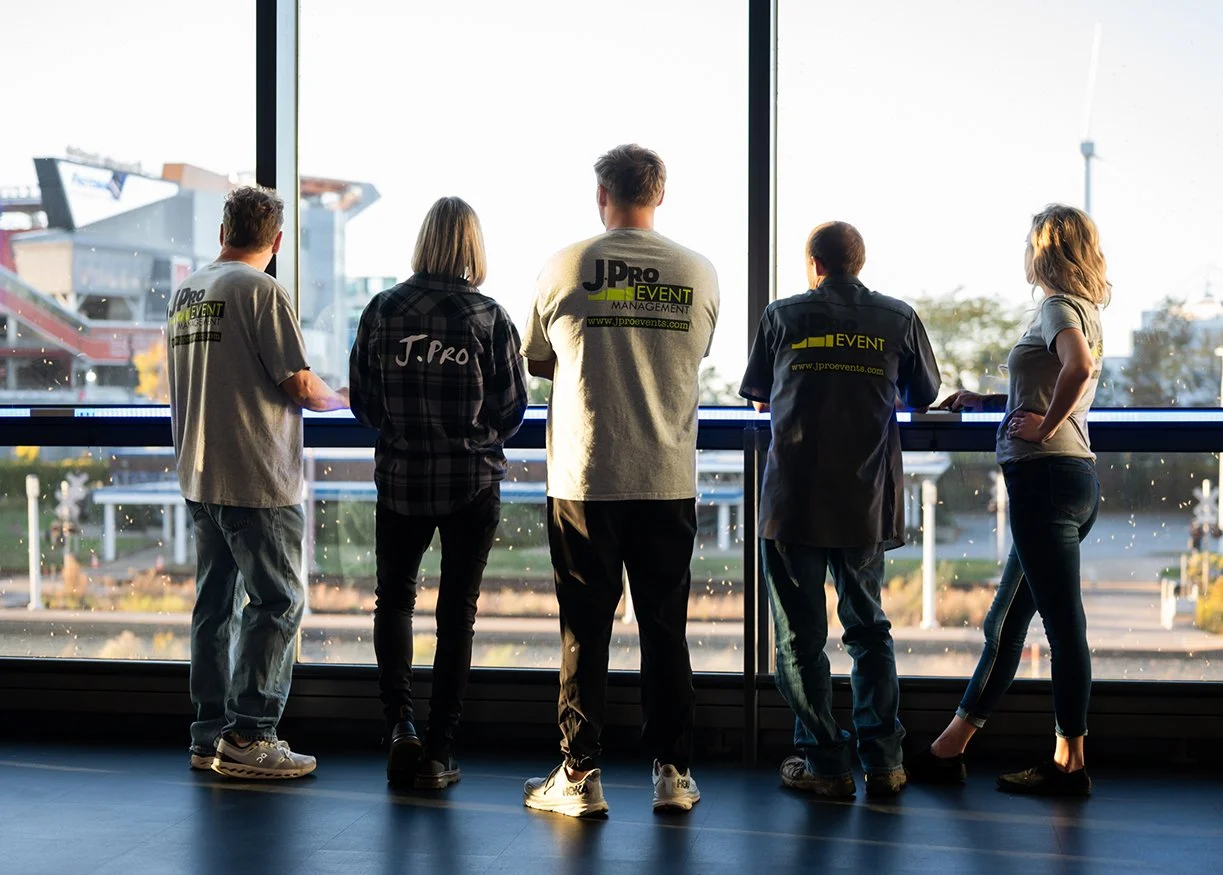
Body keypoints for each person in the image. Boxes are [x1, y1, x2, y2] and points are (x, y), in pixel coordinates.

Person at [521, 144, 720, 817]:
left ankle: (579, 775)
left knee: (584, 629)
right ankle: (673, 772)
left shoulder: (564, 265)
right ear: (659, 194)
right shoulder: (699, 271)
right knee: (664, 628)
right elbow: (691, 355)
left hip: (585, 475)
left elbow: (540, 360)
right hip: (667, 475)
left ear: (600, 195)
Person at [908, 204, 1108, 796]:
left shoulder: (1054, 306)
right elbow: (1049, 382)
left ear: (1042, 250)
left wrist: (1042, 429)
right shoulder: (1086, 309)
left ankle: (1070, 764)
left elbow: (1078, 368)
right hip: (1069, 480)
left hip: (1045, 479)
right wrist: (986, 398)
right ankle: (950, 748)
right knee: (1006, 621)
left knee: (1062, 626)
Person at [739, 221, 941, 799]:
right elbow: (922, 393)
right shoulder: (897, 318)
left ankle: (825, 762)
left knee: (799, 641)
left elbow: (757, 392)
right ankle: (884, 761)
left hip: (792, 501)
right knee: (869, 629)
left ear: (813, 264)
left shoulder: (781, 317)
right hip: (863, 500)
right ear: (860, 262)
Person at [168, 184, 349, 779]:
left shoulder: (187, 292)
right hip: (255, 475)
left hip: (200, 474)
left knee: (214, 607)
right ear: (274, 241)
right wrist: (343, 400)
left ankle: (208, 734)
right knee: (278, 602)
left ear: (223, 233)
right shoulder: (260, 290)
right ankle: (251, 737)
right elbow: (296, 380)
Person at [349, 196, 528, 789]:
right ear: (473, 246)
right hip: (470, 483)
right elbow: (510, 412)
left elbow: (364, 404)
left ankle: (398, 725)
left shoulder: (382, 310)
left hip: (400, 478)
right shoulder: (489, 318)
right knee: (457, 618)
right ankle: (439, 752)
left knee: (394, 601)